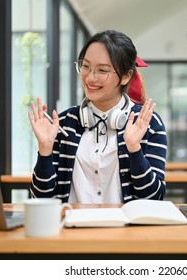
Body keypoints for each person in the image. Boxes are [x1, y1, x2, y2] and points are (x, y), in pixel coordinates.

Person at [28, 30, 167, 204]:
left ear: (126, 76)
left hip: (126, 229)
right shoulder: (64, 124)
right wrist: (45, 150)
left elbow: (154, 198)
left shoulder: (148, 123)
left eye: (102, 70)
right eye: (85, 66)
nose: (90, 77)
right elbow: (41, 199)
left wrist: (134, 149)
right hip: (71, 228)